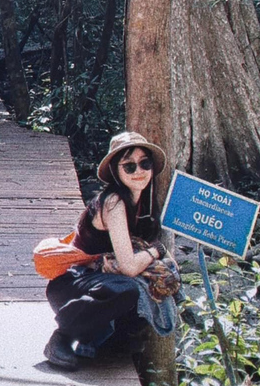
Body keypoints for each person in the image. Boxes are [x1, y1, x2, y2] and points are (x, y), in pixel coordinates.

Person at [43, 131, 171, 370]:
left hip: (99, 283)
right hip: (73, 284)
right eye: (129, 166)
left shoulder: (144, 200)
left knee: (150, 287)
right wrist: (157, 251)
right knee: (127, 289)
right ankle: (63, 336)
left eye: (145, 163)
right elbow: (129, 266)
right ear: (116, 171)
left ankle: (102, 340)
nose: (139, 171)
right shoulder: (114, 202)